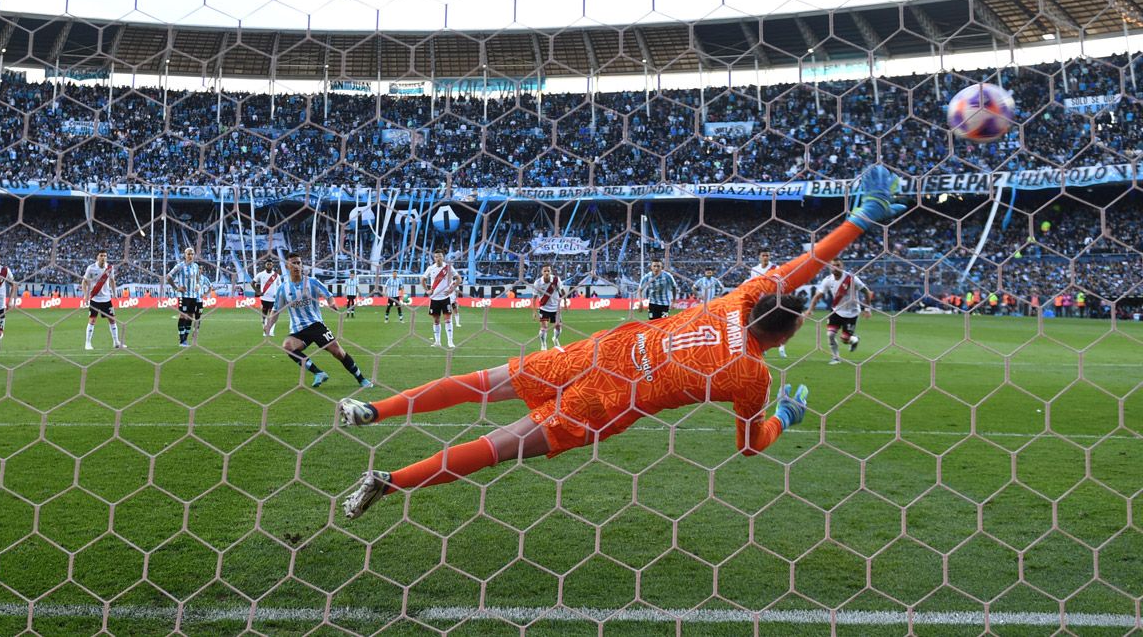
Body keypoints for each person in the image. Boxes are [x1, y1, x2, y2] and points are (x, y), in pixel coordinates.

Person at [335, 164, 906, 520]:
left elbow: (801, 266)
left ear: (757, 300)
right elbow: (750, 446)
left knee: (483, 384)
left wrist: (859, 217)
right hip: (612, 400)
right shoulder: (752, 376)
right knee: (502, 443)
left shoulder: (736, 298)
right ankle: (389, 483)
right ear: (792, 332)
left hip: (602, 351)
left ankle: (372, 408)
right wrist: (783, 416)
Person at [264, 252, 373, 389]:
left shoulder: (312, 282)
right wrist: (269, 324)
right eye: (293, 263)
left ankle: (361, 378)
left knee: (338, 352)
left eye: (298, 262)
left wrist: (331, 303)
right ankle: (319, 373)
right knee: (288, 346)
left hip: (316, 325)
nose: (296, 266)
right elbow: (276, 310)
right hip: (298, 330)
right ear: (287, 266)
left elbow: (328, 295)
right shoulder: (283, 288)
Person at [807, 260, 874, 365]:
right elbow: (818, 296)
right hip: (837, 311)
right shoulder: (828, 280)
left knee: (845, 339)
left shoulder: (851, 279)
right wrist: (810, 310)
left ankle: (854, 339)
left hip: (852, 312)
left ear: (842, 266)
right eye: (833, 265)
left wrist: (867, 309)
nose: (835, 267)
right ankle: (836, 358)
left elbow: (866, 292)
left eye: (838, 265)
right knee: (830, 334)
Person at [82, 250, 125, 350]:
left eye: (105, 256)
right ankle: (87, 343)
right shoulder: (91, 268)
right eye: (101, 255)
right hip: (95, 298)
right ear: (97, 257)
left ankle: (116, 342)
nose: (103, 257)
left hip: (106, 298)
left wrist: (115, 294)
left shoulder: (109, 268)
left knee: (112, 320)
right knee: (92, 320)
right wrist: (85, 295)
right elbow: (84, 282)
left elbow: (112, 281)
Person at [749, 253, 786, 358]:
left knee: (779, 324)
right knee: (759, 325)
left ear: (769, 257)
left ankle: (782, 348)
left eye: (767, 255)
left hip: (773, 300)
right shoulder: (754, 269)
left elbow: (780, 282)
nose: (765, 257)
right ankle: (762, 347)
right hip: (759, 302)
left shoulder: (775, 268)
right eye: (763, 255)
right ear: (759, 257)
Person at [422, 250, 461, 348]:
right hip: (434, 298)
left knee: (448, 319)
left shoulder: (448, 268)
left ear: (443, 257)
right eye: (436, 257)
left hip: (445, 298)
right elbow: (422, 279)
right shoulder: (431, 268)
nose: (438, 258)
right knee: (436, 320)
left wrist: (452, 288)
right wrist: (427, 290)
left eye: (439, 256)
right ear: (434, 258)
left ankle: (450, 342)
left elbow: (458, 278)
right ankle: (437, 342)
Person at [166, 247, 203, 348]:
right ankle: (182, 340)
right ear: (184, 255)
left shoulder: (195, 266)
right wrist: (176, 288)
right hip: (183, 296)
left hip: (193, 296)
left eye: (192, 254)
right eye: (188, 254)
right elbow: (168, 277)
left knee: (190, 316)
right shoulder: (180, 266)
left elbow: (198, 278)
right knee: (182, 316)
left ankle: (185, 338)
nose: (190, 256)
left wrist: (198, 285)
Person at [531, 264, 566, 351]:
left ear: (550, 272)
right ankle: (543, 344)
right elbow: (534, 299)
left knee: (558, 326)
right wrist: (534, 312)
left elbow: (562, 291)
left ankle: (555, 338)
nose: (546, 273)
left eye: (548, 271)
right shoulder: (538, 283)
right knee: (544, 328)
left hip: (556, 308)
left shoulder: (556, 280)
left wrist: (565, 302)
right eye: (545, 271)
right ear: (542, 272)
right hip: (544, 308)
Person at [251, 259, 281, 337]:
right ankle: (265, 332)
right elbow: (252, 283)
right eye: (268, 264)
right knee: (264, 316)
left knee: (272, 316)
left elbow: (280, 286)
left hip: (273, 299)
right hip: (264, 299)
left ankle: (271, 332)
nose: (269, 266)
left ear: (272, 265)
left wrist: (277, 294)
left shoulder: (276, 276)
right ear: (265, 265)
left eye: (270, 264)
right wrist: (257, 291)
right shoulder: (261, 274)